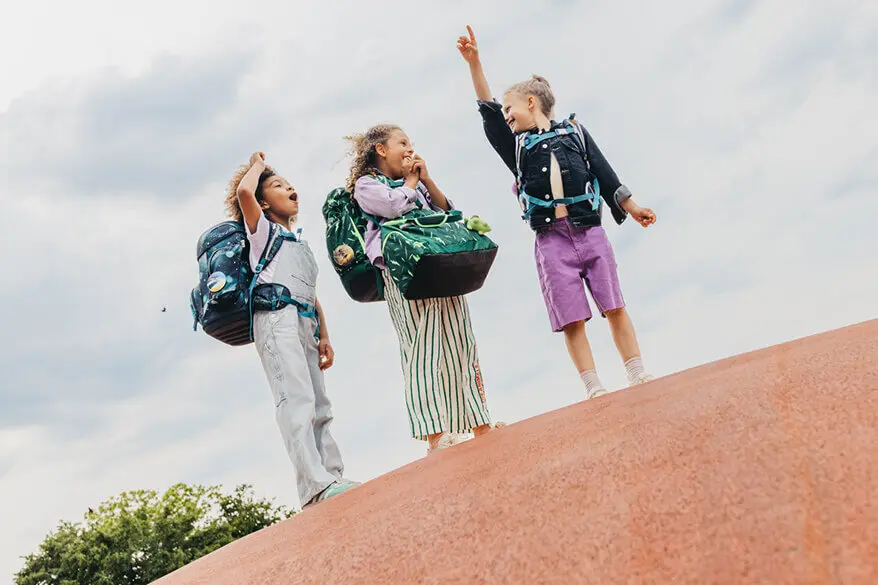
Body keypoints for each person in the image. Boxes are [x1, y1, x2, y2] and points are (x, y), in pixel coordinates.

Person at [457, 26, 657, 398]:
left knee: (614, 305)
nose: (506, 115)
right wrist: (475, 63)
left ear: (531, 102)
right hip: (552, 243)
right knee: (572, 320)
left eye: (510, 108)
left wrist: (631, 206)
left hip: (590, 233)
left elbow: (604, 171)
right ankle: (594, 387)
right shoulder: (516, 147)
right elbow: (489, 113)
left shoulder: (575, 133)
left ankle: (637, 372)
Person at [345, 124, 502, 454]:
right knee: (421, 347)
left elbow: (446, 211)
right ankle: (434, 433)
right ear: (381, 149)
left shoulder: (415, 181)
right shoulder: (366, 185)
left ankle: (479, 421)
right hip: (402, 271)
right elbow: (392, 207)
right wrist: (412, 182)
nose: (409, 148)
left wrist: (426, 179)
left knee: (460, 342)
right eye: (402, 142)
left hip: (438, 264)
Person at [225, 151, 358, 507]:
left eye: (288, 184)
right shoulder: (262, 232)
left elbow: (310, 292)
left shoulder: (296, 240)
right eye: (278, 186)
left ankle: (332, 474)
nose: (289, 188)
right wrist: (257, 166)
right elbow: (244, 193)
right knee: (295, 400)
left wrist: (323, 334)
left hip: (304, 320)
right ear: (264, 203)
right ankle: (314, 486)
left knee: (319, 402)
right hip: (276, 318)